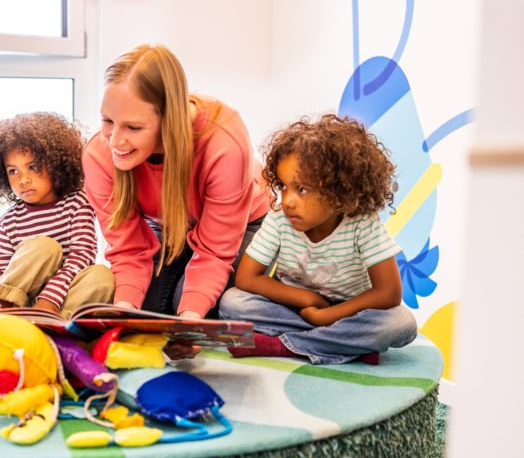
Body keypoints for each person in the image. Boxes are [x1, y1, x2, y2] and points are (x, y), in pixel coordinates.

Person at [82, 43, 269, 320]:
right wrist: (123, 311)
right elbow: (128, 249)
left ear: (169, 120)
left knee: (191, 300)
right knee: (145, 308)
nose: (115, 140)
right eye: (107, 120)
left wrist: (191, 318)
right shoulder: (99, 153)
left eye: (133, 127)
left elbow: (215, 251)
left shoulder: (224, 142)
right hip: (170, 225)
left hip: (245, 223)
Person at [218, 114, 418, 365]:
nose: (288, 200)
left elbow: (389, 293)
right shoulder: (280, 219)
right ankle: (345, 345)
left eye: (301, 189)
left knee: (401, 324)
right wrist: (307, 300)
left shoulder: (362, 223)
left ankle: (285, 347)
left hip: (351, 312)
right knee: (233, 302)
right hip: (297, 309)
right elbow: (247, 278)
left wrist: (330, 316)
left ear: (340, 191)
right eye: (283, 186)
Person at [0, 112, 114, 318]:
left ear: (55, 164)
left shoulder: (77, 203)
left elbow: (83, 255)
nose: (23, 180)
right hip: (18, 303)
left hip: (58, 303)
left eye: (33, 167)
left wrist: (49, 299)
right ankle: (0, 311)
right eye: (13, 171)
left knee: (103, 276)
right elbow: (0, 269)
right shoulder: (10, 221)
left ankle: (53, 325)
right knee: (45, 247)